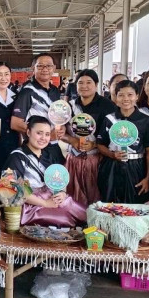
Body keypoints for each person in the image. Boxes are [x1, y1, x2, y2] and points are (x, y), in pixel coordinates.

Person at [4, 116, 86, 227]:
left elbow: (58, 180)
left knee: (83, 213)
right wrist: (45, 203)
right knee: (65, 218)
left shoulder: (48, 154)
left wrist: (61, 193)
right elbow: (12, 189)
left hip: (50, 198)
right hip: (30, 205)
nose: (43, 138)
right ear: (28, 132)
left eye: (47, 134)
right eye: (39, 133)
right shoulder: (17, 156)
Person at [61, 69, 116, 205]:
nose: (84, 86)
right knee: (73, 199)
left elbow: (114, 135)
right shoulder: (69, 106)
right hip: (74, 159)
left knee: (96, 198)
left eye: (89, 82)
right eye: (80, 83)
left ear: (96, 85)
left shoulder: (108, 106)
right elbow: (61, 132)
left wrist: (95, 144)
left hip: (97, 160)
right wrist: (72, 140)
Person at [96, 80, 149, 204]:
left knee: (134, 204)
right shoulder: (109, 119)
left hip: (136, 167)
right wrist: (112, 154)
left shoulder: (146, 120)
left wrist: (147, 177)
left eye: (130, 95)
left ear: (137, 96)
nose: (126, 99)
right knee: (109, 203)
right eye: (121, 95)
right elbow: (100, 144)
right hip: (111, 166)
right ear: (116, 97)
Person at [11, 53, 61, 136]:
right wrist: (44, 135)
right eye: (40, 66)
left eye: (49, 66)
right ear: (33, 68)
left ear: (54, 68)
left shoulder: (55, 90)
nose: (45, 69)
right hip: (36, 142)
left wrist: (62, 127)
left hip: (53, 142)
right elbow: (16, 124)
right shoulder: (27, 91)